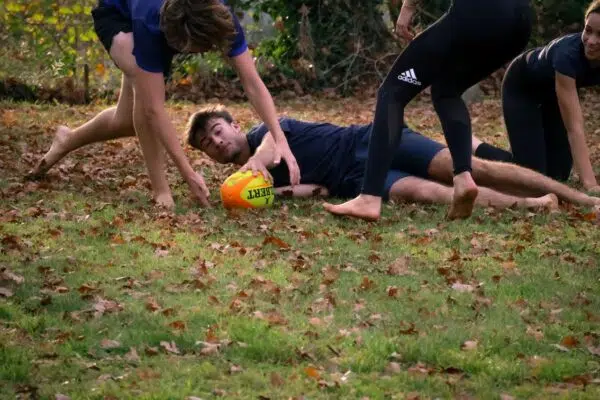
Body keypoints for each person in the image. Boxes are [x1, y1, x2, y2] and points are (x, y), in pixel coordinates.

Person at [27, 0, 299, 208]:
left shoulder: (220, 15)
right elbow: (154, 110)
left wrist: (279, 138)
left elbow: (253, 83)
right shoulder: (148, 23)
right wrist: (187, 174)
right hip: (118, 14)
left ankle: (67, 139)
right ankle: (160, 190)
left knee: (126, 121)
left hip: (167, 20)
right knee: (142, 93)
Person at [323, 0, 533, 221]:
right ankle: (463, 178)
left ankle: (369, 197)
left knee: (392, 93)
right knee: (447, 91)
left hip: (481, 11)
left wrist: (408, 7)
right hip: (520, 21)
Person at [185, 105, 600, 210]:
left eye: (217, 130)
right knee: (430, 193)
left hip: (371, 142)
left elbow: (273, 148)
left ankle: (580, 198)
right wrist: (280, 193)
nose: (215, 141)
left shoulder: (265, 133)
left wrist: (258, 164)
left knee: (475, 169)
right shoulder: (248, 183)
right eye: (206, 143)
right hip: (354, 179)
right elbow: (314, 189)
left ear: (235, 125)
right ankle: (534, 204)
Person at [501, 0, 600, 192]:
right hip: (522, 88)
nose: (591, 41)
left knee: (558, 174)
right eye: (588, 30)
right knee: (533, 177)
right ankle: (473, 149)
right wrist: (591, 185)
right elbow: (574, 127)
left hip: (552, 97)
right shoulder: (567, 55)